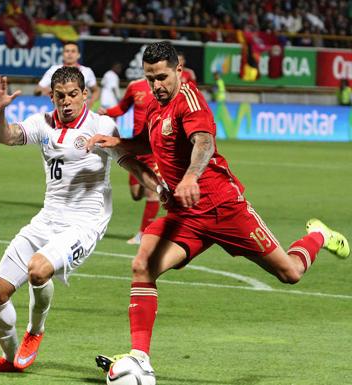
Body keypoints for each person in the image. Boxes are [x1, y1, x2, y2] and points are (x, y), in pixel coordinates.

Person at [87, 41, 350, 382]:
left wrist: (191, 177)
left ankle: (318, 235)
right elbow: (153, 142)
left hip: (223, 208)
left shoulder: (190, 101)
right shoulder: (155, 104)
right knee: (142, 266)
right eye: (150, 79)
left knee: (290, 273)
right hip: (185, 216)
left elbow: (204, 142)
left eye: (163, 77)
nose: (157, 86)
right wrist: (120, 144)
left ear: (179, 71)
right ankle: (140, 358)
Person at [0, 67, 158, 373]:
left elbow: (127, 159)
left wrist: (160, 187)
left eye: (73, 95)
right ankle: (9, 361)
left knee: (38, 269)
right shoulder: (42, 123)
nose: (67, 102)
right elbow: (5, 137)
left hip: (85, 223)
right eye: (60, 96)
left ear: (85, 94)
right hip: (47, 219)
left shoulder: (101, 124)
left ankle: (35, 331)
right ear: (52, 97)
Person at [98, 76, 159, 244]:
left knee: (152, 192)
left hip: (155, 147)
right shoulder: (134, 86)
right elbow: (123, 108)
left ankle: (144, 234)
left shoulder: (163, 86)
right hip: (136, 147)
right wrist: (107, 112)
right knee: (136, 194)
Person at [34, 41, 99, 106]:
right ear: (62, 54)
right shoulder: (54, 69)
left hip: (80, 111)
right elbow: (37, 90)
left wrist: (91, 103)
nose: (69, 54)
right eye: (67, 51)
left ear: (79, 55)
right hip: (59, 109)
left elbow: (96, 91)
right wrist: (49, 91)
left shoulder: (87, 71)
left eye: (73, 51)